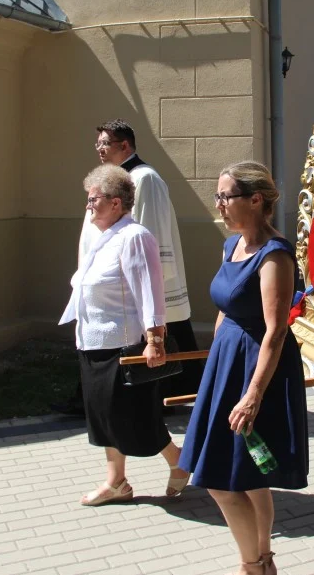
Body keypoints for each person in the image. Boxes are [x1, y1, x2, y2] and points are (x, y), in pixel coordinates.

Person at [178, 162, 308, 575]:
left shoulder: (275, 255)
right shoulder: (230, 246)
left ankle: (252, 565)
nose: (218, 204)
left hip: (258, 368)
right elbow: (225, 311)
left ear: (255, 200)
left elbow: (275, 332)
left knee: (221, 479)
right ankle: (264, 558)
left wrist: (252, 395)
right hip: (227, 364)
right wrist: (212, 375)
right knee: (248, 474)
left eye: (224, 196)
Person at [58, 164, 190, 505]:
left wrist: (154, 340)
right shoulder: (104, 238)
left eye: (94, 200)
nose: (88, 206)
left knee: (133, 418)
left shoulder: (135, 237)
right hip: (93, 343)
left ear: (116, 203)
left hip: (124, 346)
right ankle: (116, 482)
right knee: (103, 418)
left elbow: (150, 292)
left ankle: (179, 461)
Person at [54, 120, 199, 417]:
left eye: (105, 144)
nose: (99, 150)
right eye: (97, 144)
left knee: (157, 341)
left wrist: (146, 279)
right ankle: (98, 400)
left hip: (134, 280)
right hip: (109, 280)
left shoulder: (144, 178)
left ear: (125, 145)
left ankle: (154, 403)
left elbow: (150, 231)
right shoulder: (112, 179)